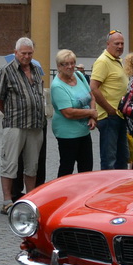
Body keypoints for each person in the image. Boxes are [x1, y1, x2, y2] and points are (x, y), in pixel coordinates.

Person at [0, 38, 47, 204]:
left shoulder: (37, 70)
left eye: (30, 53)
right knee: (10, 164)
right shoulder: (6, 71)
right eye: (23, 53)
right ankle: (7, 200)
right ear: (16, 53)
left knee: (32, 166)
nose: (26, 56)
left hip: (35, 125)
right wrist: (10, 113)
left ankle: (30, 199)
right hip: (15, 124)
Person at [48, 49, 94, 180]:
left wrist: (92, 117)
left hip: (84, 131)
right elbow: (68, 112)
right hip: (67, 133)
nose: (70, 66)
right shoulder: (57, 86)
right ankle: (61, 196)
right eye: (65, 64)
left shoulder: (79, 76)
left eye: (72, 63)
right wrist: (91, 112)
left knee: (86, 168)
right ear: (58, 67)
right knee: (67, 168)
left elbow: (92, 97)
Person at [89, 30, 129, 170]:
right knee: (109, 159)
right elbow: (94, 87)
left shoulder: (118, 60)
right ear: (108, 44)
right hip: (109, 116)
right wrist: (109, 109)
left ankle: (120, 189)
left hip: (119, 115)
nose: (120, 46)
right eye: (116, 43)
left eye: (122, 44)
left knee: (122, 157)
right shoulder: (103, 61)